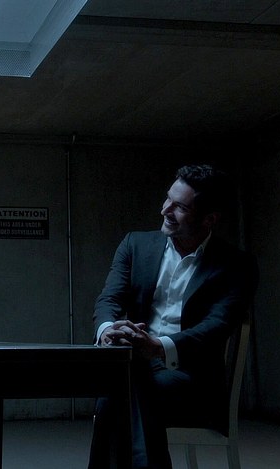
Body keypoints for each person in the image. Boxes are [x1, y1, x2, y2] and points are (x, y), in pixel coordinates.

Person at [87, 164, 258, 469]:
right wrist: (108, 329)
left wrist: (157, 347)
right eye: (168, 198)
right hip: (136, 368)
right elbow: (109, 299)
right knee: (129, 382)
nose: (165, 209)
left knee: (118, 392)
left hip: (193, 381)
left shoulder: (236, 265)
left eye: (180, 207)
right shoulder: (135, 245)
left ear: (209, 219)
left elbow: (217, 326)